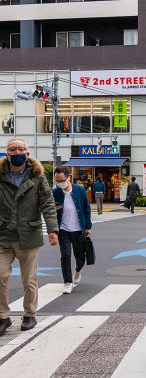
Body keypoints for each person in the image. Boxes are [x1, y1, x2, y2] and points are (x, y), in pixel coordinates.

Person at [0, 139, 58, 335]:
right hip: (3, 234)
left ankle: (29, 315)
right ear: (6, 153)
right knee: (0, 277)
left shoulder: (38, 176)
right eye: (13, 149)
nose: (17, 152)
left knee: (29, 279)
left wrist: (52, 229)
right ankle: (3, 317)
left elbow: (48, 203)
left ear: (27, 153)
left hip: (28, 234)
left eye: (21, 149)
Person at [52, 167, 92, 294]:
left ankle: (78, 270)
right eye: (57, 181)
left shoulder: (79, 190)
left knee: (80, 257)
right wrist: (54, 209)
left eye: (61, 181)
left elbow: (87, 208)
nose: (59, 184)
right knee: (65, 255)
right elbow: (49, 211)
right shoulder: (55, 192)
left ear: (68, 178)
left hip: (78, 229)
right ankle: (67, 282)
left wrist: (88, 227)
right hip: (63, 230)